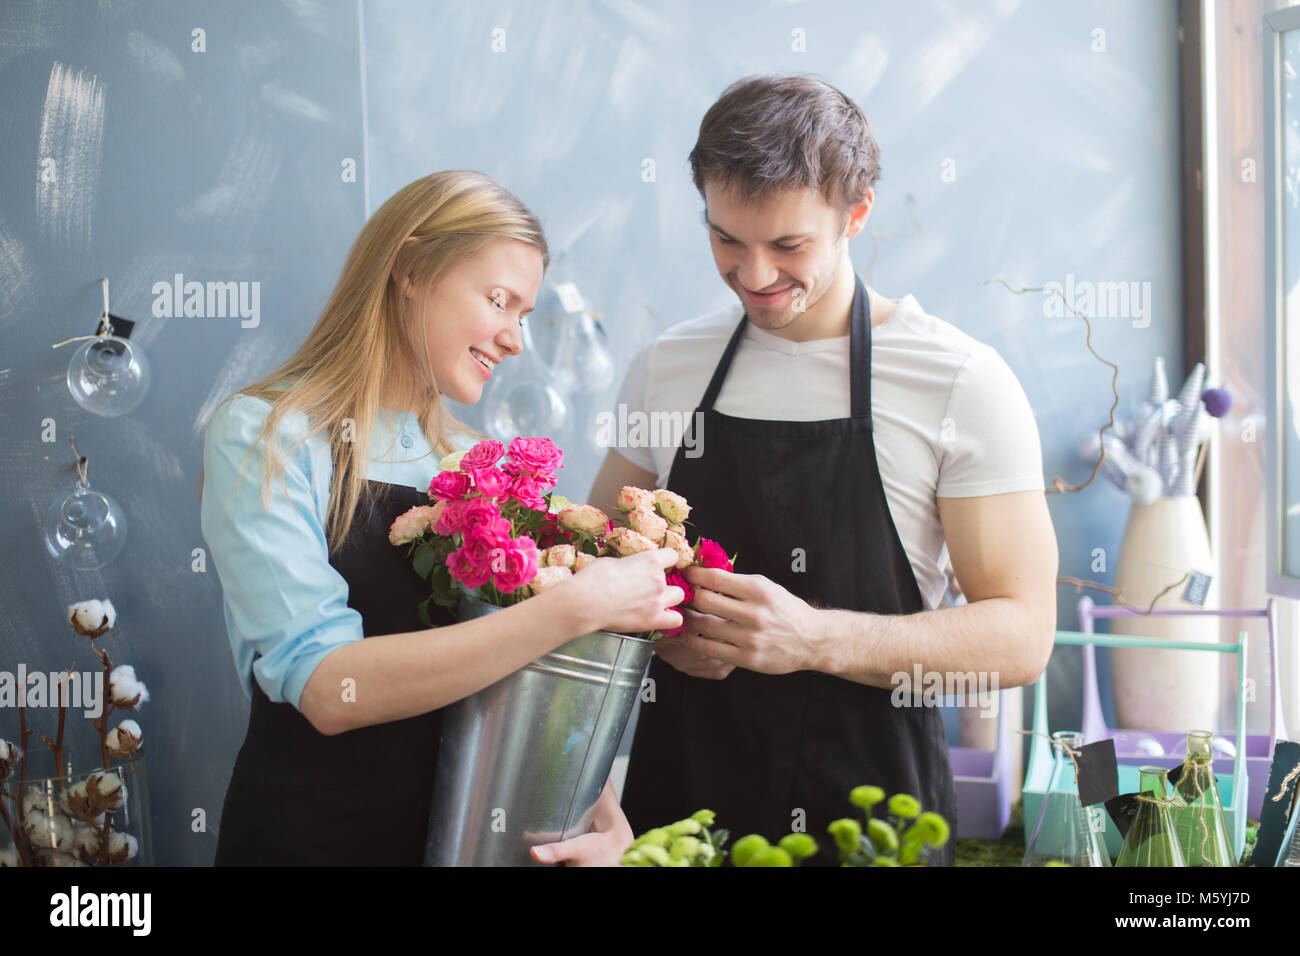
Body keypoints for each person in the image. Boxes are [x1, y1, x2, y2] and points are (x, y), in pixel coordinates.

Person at [589, 75, 1059, 866]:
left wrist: (814, 639)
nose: (755, 276)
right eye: (727, 240)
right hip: (679, 821)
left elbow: (1020, 636)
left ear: (858, 214)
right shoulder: (667, 368)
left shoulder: (959, 381)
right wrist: (661, 638)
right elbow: (588, 577)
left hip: (875, 823)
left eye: (788, 246)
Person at [199, 171, 682, 866]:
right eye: (498, 301)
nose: (516, 339)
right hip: (309, 837)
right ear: (411, 269)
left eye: (524, 314)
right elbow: (331, 688)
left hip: (462, 844)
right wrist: (574, 609)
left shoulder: (479, 466)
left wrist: (605, 819)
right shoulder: (265, 433)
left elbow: (534, 677)